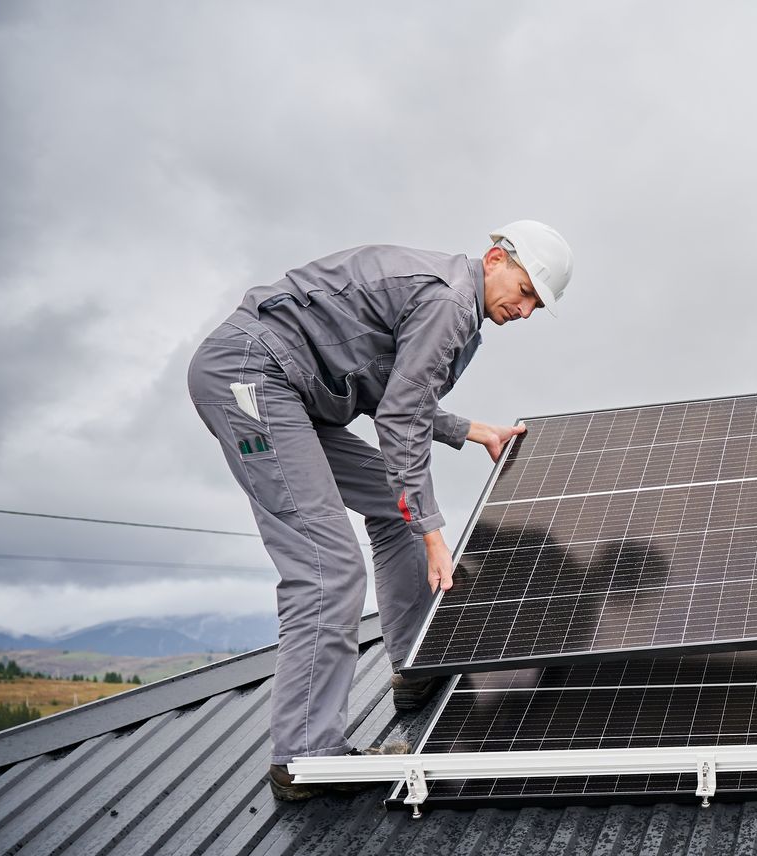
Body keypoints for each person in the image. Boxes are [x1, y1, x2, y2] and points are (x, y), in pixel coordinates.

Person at [186, 222, 572, 798]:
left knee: (392, 509)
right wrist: (434, 532)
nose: (526, 309)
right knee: (329, 566)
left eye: (538, 304)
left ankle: (415, 664)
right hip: (253, 377)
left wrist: (466, 430)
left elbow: (391, 396)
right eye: (526, 291)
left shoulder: (449, 301)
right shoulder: (447, 301)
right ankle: (304, 756)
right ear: (495, 259)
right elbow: (400, 422)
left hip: (295, 393)